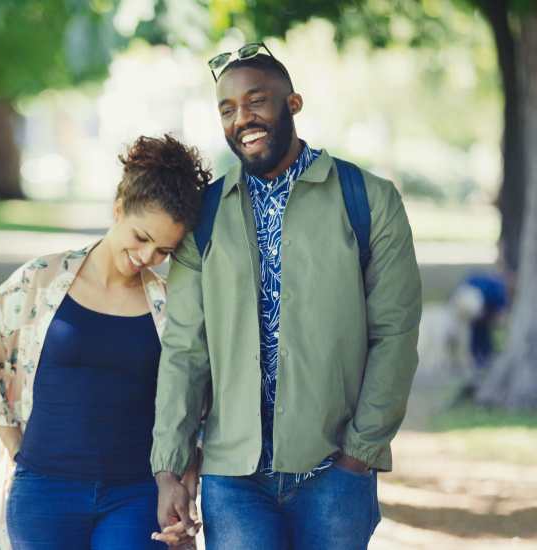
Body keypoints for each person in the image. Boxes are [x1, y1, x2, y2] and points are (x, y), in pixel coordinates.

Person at [150, 44, 423, 549]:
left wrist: (357, 456)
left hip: (334, 469)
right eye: (227, 109)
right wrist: (170, 464)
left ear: (292, 103)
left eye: (257, 101)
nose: (243, 118)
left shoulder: (368, 199)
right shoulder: (204, 214)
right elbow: (185, 348)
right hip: (234, 477)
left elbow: (396, 335)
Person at [0, 134, 209, 550]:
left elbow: (194, 398)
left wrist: (183, 477)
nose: (147, 256)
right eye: (141, 237)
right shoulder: (38, 282)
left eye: (164, 249)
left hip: (136, 495)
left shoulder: (171, 306)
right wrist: (19, 455)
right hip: (44, 493)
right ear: (119, 209)